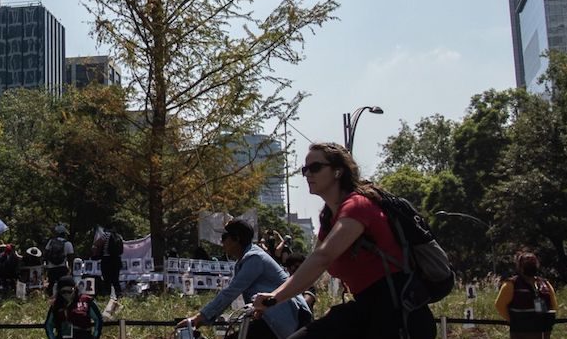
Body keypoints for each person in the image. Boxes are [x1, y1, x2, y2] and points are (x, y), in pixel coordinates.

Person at [251, 142, 436, 339]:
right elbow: (313, 264)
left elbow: (323, 257)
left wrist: (275, 297)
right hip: (364, 311)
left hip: (398, 316)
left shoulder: (358, 205)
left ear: (338, 171)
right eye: (305, 169)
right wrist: (272, 299)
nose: (308, 174)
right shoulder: (329, 218)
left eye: (315, 167)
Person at [177, 220, 311, 339]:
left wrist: (199, 318)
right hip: (271, 316)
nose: (221, 242)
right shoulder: (245, 259)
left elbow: (230, 292)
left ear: (237, 239)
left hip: (286, 315)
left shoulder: (255, 258)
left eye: (224, 237)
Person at [494, 251, 558, 339]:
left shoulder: (545, 284)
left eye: (533, 263)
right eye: (527, 263)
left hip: (543, 333)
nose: (530, 265)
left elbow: (553, 306)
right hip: (521, 334)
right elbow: (499, 306)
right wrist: (515, 321)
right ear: (520, 267)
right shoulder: (511, 284)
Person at [92, 228, 123, 297]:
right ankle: (119, 295)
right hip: (117, 260)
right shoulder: (119, 236)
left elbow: (96, 243)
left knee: (107, 279)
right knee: (115, 279)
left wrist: (96, 253)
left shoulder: (106, 235)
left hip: (107, 260)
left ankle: (107, 295)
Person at [45, 225, 76, 292]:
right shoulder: (68, 244)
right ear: (64, 234)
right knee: (62, 285)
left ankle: (49, 298)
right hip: (62, 268)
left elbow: (46, 253)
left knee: (51, 284)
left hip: (51, 267)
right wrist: (70, 269)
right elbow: (70, 258)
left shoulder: (51, 242)